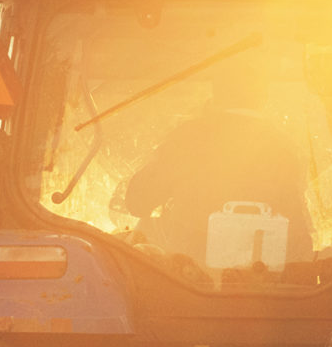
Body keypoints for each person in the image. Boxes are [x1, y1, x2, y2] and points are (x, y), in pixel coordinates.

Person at [122, 52, 313, 276]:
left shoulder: (186, 139)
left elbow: (138, 202)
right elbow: (297, 224)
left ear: (216, 93)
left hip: (189, 286)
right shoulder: (286, 148)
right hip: (268, 289)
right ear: (263, 97)